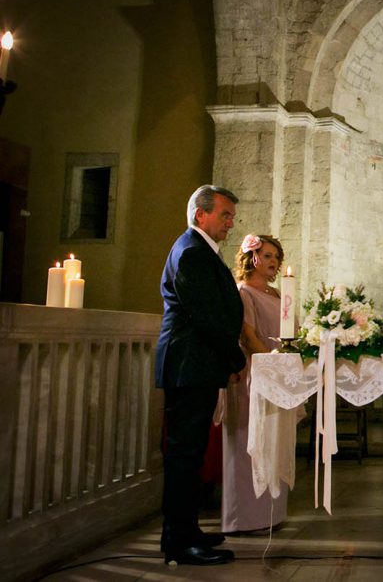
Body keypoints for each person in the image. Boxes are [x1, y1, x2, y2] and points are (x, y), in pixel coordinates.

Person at [155, 185, 246, 566]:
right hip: (190, 362)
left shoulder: (198, 249)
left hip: (197, 363)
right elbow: (206, 315)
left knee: (190, 455)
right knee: (184, 454)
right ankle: (178, 541)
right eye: (224, 215)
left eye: (231, 216)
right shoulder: (192, 252)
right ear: (200, 215)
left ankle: (186, 531)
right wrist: (235, 358)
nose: (230, 222)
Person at [221, 233, 289, 533]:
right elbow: (247, 335)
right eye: (268, 256)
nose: (274, 261)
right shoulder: (243, 293)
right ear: (253, 258)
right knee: (249, 440)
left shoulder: (279, 295)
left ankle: (272, 514)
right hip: (253, 374)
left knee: (275, 440)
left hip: (278, 374)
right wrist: (273, 362)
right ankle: (242, 518)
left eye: (277, 257)